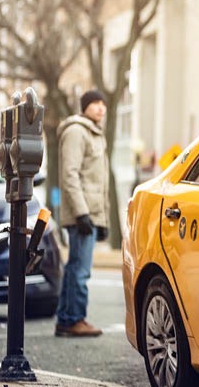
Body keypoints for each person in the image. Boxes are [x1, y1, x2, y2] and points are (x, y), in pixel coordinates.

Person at [55, 89, 110, 337]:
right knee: (80, 268)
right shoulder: (77, 132)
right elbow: (70, 174)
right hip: (82, 212)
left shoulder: (96, 134)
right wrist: (81, 214)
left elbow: (100, 182)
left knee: (75, 266)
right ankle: (73, 318)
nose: (101, 107)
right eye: (95, 103)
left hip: (91, 212)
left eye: (103, 104)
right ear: (85, 106)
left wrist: (103, 220)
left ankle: (67, 319)